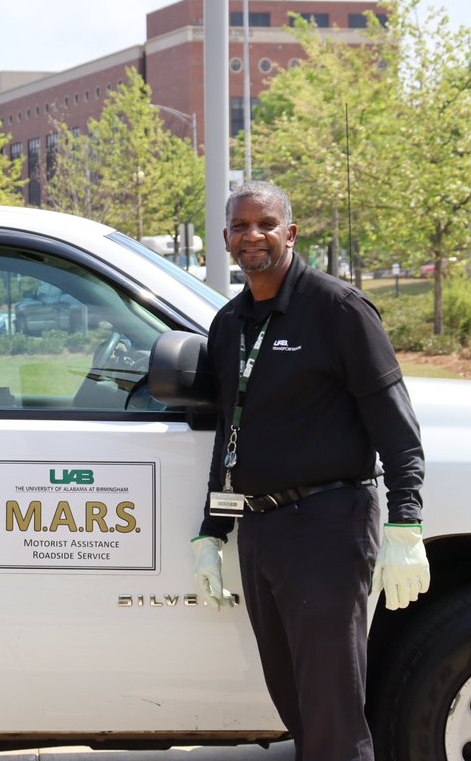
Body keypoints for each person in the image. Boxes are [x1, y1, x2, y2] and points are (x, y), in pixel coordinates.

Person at [189, 181, 430, 760]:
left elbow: (396, 427)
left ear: (290, 233)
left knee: (331, 711)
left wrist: (406, 524)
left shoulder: (339, 310)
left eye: (266, 223)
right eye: (241, 226)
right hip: (261, 531)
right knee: (295, 702)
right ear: (225, 240)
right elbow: (232, 437)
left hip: (327, 524)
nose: (253, 235)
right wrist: (212, 530)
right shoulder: (229, 325)